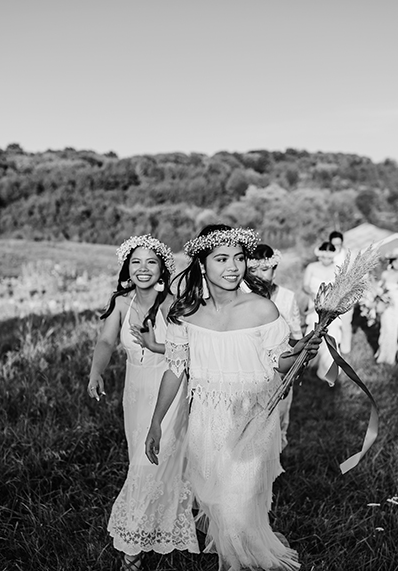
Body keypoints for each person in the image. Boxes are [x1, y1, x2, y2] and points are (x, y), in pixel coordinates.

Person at [144, 224, 323, 571]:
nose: (233, 267)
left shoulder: (262, 309)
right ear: (202, 264)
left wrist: (300, 351)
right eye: (221, 258)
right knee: (214, 498)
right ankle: (241, 551)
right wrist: (156, 420)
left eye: (239, 258)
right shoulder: (186, 314)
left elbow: (281, 362)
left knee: (238, 501)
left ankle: (240, 564)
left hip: (253, 415)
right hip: (207, 419)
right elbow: (175, 368)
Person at [87, 235, 198, 571]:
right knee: (144, 458)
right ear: (128, 269)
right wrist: (96, 373)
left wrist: (155, 346)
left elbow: (189, 349)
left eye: (151, 262)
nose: (143, 268)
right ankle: (156, 525)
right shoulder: (122, 302)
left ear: (162, 268)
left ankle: (132, 547)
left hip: (169, 388)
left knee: (147, 463)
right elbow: (106, 340)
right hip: (134, 393)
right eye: (136, 262)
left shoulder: (171, 303)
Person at [247, 243, 303, 449]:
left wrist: (291, 373)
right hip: (251, 366)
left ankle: (276, 455)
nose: (259, 275)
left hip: (282, 365)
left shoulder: (287, 297)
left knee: (279, 412)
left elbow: (296, 334)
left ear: (274, 268)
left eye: (265, 269)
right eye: (253, 270)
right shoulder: (243, 298)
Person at [302, 241, 342, 386]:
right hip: (315, 306)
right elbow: (305, 285)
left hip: (331, 308)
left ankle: (328, 371)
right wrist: (314, 294)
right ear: (319, 256)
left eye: (329, 258)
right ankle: (308, 364)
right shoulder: (311, 267)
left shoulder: (337, 269)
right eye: (323, 257)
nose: (326, 260)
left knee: (332, 336)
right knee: (313, 336)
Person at [328, 231, 355, 354]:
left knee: (346, 321)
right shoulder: (327, 256)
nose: (337, 247)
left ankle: (345, 348)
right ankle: (332, 347)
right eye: (334, 244)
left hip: (347, 293)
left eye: (339, 244)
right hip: (331, 293)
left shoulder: (350, 255)